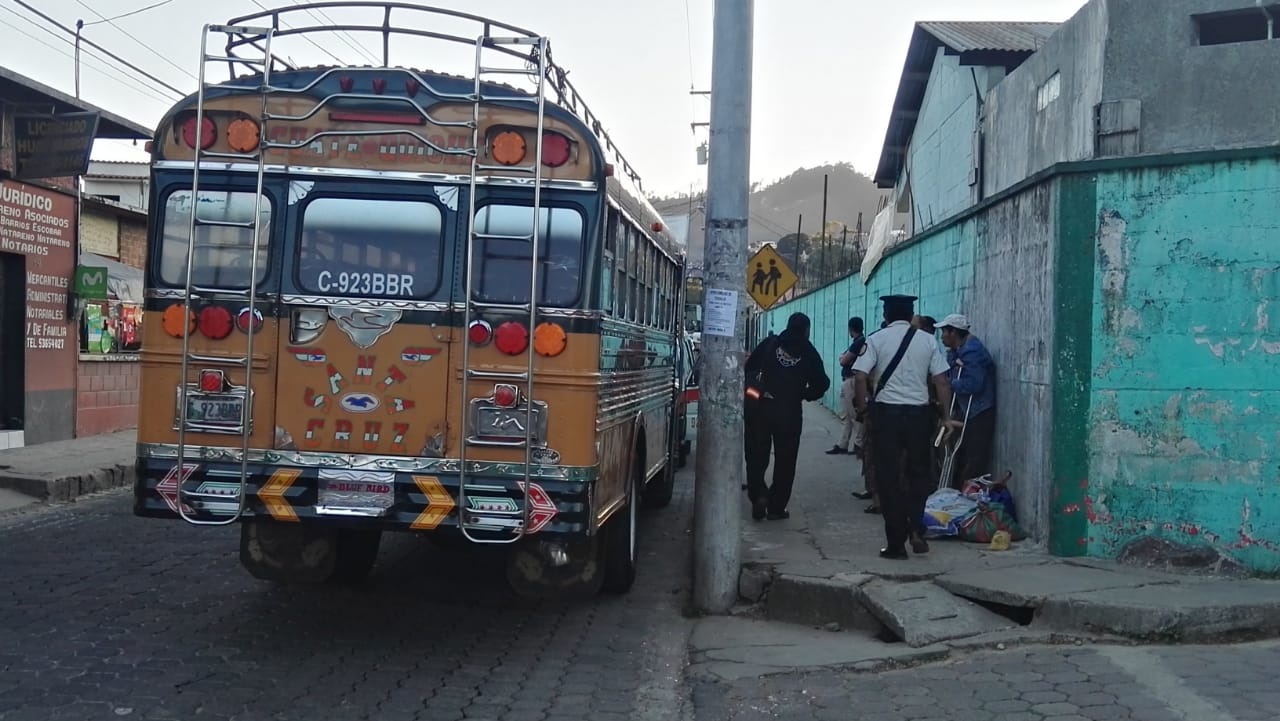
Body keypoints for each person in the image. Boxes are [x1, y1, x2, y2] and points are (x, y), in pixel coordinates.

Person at [853, 295, 955, 559]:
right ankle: (916, 527)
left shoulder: (875, 339)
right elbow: (942, 381)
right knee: (919, 474)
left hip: (886, 416)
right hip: (919, 416)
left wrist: (863, 408)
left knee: (888, 478)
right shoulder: (927, 340)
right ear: (911, 316)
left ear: (885, 315)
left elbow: (860, 376)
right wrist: (946, 417)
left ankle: (896, 544)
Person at [744, 312, 830, 521]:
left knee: (756, 455)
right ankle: (776, 508)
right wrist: (804, 394)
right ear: (806, 330)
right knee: (786, 460)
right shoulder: (808, 352)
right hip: (789, 412)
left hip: (761, 408)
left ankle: (759, 495)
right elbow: (822, 383)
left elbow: (749, 367)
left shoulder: (770, 344)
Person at [938, 314, 996, 485]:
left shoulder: (972, 351)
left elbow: (974, 384)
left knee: (974, 457)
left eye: (944, 332)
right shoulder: (958, 350)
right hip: (967, 410)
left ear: (954, 333)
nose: (941, 337)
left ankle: (970, 492)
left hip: (978, 411)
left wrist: (950, 384)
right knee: (963, 455)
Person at [827, 316, 867, 458]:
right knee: (846, 415)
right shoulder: (857, 342)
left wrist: (843, 358)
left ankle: (859, 444)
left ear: (851, 329)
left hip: (852, 381)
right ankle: (843, 444)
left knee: (854, 414)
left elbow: (844, 360)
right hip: (848, 380)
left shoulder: (859, 342)